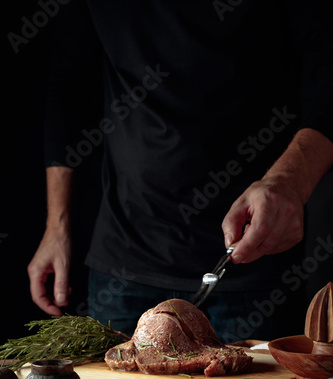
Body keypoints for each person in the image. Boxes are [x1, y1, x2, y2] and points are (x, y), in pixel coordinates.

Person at [28, 0, 333, 342]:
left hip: (254, 259)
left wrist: (290, 181)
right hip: (124, 262)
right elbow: (67, 81)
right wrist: (56, 226)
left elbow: (328, 63)